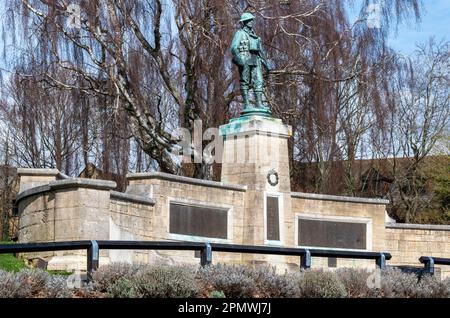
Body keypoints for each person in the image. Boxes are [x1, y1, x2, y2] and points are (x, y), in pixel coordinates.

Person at [231, 12, 270, 111]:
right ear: (244, 22)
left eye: (252, 20)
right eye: (249, 20)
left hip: (256, 60)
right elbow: (234, 48)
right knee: (245, 81)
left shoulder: (256, 36)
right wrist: (240, 60)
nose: (251, 21)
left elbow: (261, 51)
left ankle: (259, 104)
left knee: (259, 81)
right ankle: (246, 104)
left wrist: (266, 64)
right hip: (245, 58)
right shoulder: (240, 33)